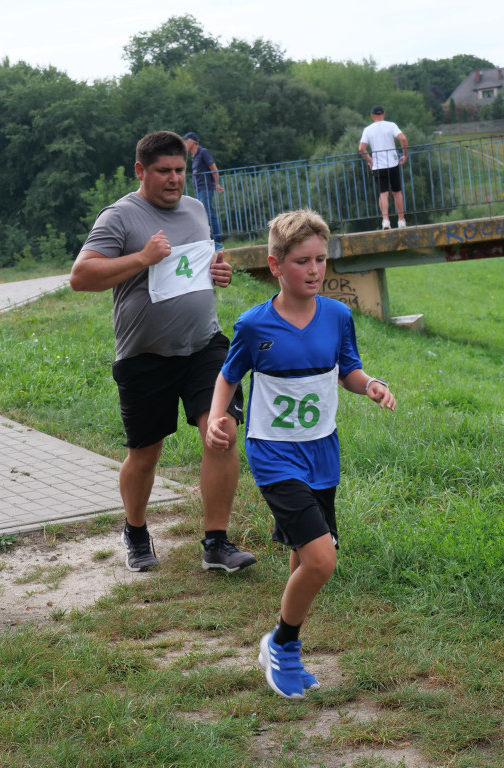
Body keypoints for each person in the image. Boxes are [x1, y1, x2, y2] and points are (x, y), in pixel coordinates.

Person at [205, 209, 396, 699]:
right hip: (274, 454)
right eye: (302, 261)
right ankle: (283, 644)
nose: (314, 270)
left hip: (322, 453)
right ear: (275, 265)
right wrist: (217, 420)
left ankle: (286, 644)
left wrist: (370, 384)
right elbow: (228, 374)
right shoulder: (254, 325)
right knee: (322, 558)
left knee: (301, 557)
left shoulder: (337, 316)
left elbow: (347, 369)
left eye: (321, 260)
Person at [70, 130, 256, 575]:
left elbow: (192, 268)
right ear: (141, 171)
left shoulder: (195, 210)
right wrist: (141, 258)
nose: (175, 180)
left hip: (203, 347)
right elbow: (81, 276)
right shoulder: (120, 217)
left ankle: (216, 542)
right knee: (144, 454)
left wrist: (218, 272)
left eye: (179, 171)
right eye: (163, 171)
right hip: (144, 356)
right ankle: (135, 531)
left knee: (222, 429)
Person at [359, 106, 409, 230]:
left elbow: (361, 149)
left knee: (383, 194)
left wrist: (370, 160)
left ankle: (386, 221)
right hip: (393, 162)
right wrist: (405, 154)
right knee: (397, 192)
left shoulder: (368, 129)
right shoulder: (391, 125)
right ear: (384, 114)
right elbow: (403, 138)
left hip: (378, 166)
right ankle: (401, 221)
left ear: (372, 115)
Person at [182, 132, 225, 250]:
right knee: (204, 214)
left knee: (208, 214)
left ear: (192, 142)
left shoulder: (203, 152)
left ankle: (217, 242)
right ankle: (211, 242)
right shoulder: (194, 156)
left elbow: (214, 169)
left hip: (205, 188)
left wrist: (216, 184)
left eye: (185, 142)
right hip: (199, 189)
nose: (184, 144)